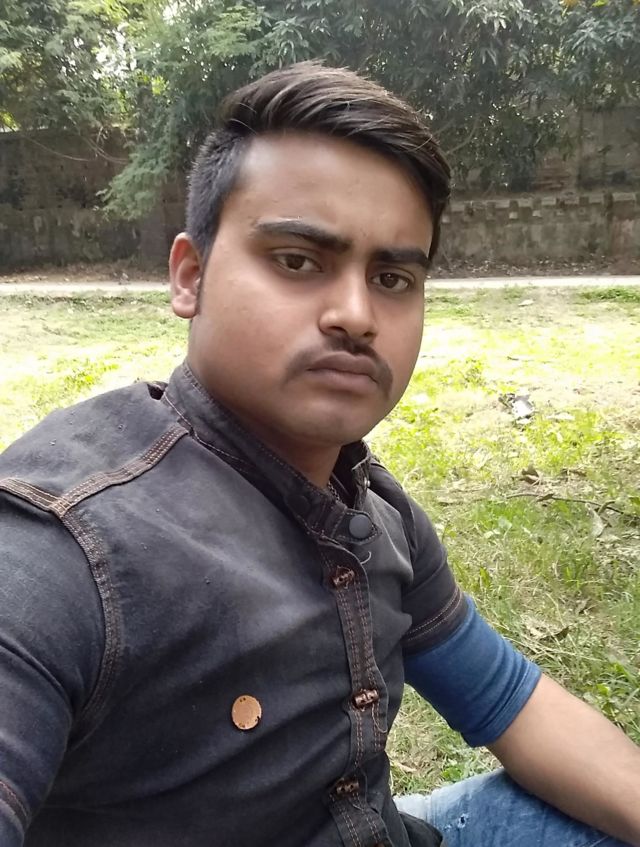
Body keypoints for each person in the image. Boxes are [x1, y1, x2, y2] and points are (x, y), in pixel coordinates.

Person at [0, 62, 638, 847]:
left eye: (392, 276)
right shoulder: (64, 548)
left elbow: (510, 701)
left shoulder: (374, 509)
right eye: (298, 261)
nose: (356, 314)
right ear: (190, 276)